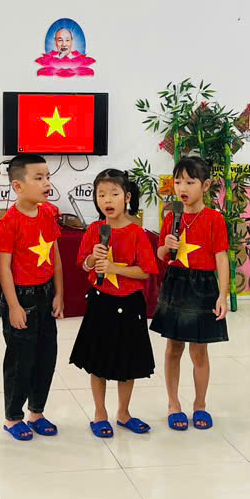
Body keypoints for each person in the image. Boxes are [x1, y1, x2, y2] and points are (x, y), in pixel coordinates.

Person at [71, 169, 157, 437]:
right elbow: (83, 264)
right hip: (101, 303)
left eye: (114, 194)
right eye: (101, 195)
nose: (107, 200)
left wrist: (113, 268)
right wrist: (92, 258)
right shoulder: (95, 230)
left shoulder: (137, 233)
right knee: (98, 362)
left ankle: (124, 412)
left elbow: (146, 271)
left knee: (127, 362)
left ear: (127, 197)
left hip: (130, 305)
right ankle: (100, 413)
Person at [150, 156, 230, 431]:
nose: (182, 188)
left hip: (203, 285)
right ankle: (173, 404)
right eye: (178, 181)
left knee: (199, 350)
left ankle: (200, 404)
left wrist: (222, 294)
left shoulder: (214, 219)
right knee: (173, 348)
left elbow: (221, 257)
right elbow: (160, 254)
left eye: (190, 182)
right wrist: (166, 245)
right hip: (176, 283)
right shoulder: (171, 217)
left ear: (205, 185)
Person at [0, 154, 65, 441]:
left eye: (48, 177)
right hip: (21, 298)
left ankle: (36, 412)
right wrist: (13, 306)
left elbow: (55, 255)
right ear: (18, 186)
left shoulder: (48, 214)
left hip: (46, 295)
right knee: (20, 361)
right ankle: (13, 417)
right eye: (39, 178)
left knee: (46, 356)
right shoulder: (8, 223)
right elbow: (3, 268)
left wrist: (59, 293)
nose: (47, 183)